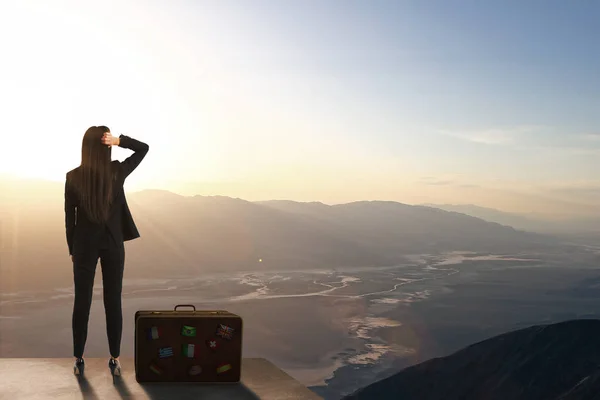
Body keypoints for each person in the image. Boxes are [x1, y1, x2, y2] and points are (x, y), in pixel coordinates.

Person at [65, 126, 149, 377]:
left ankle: (78, 358)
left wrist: (72, 248)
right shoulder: (116, 171)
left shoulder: (73, 176)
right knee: (113, 301)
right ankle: (115, 359)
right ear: (106, 145)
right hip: (113, 244)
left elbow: (70, 218)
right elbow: (143, 148)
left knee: (82, 301)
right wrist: (121, 140)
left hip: (83, 246)